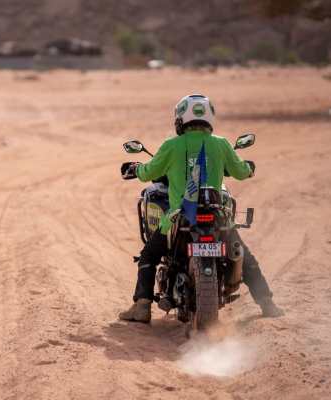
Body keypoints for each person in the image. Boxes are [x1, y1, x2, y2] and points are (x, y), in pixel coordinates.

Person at [119, 94, 284, 323]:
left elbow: (148, 172)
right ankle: (268, 304)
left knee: (149, 254)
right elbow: (240, 171)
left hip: (179, 216)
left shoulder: (171, 145)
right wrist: (249, 168)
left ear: (180, 119)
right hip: (216, 215)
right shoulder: (221, 143)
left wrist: (136, 170)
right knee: (244, 257)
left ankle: (142, 306)